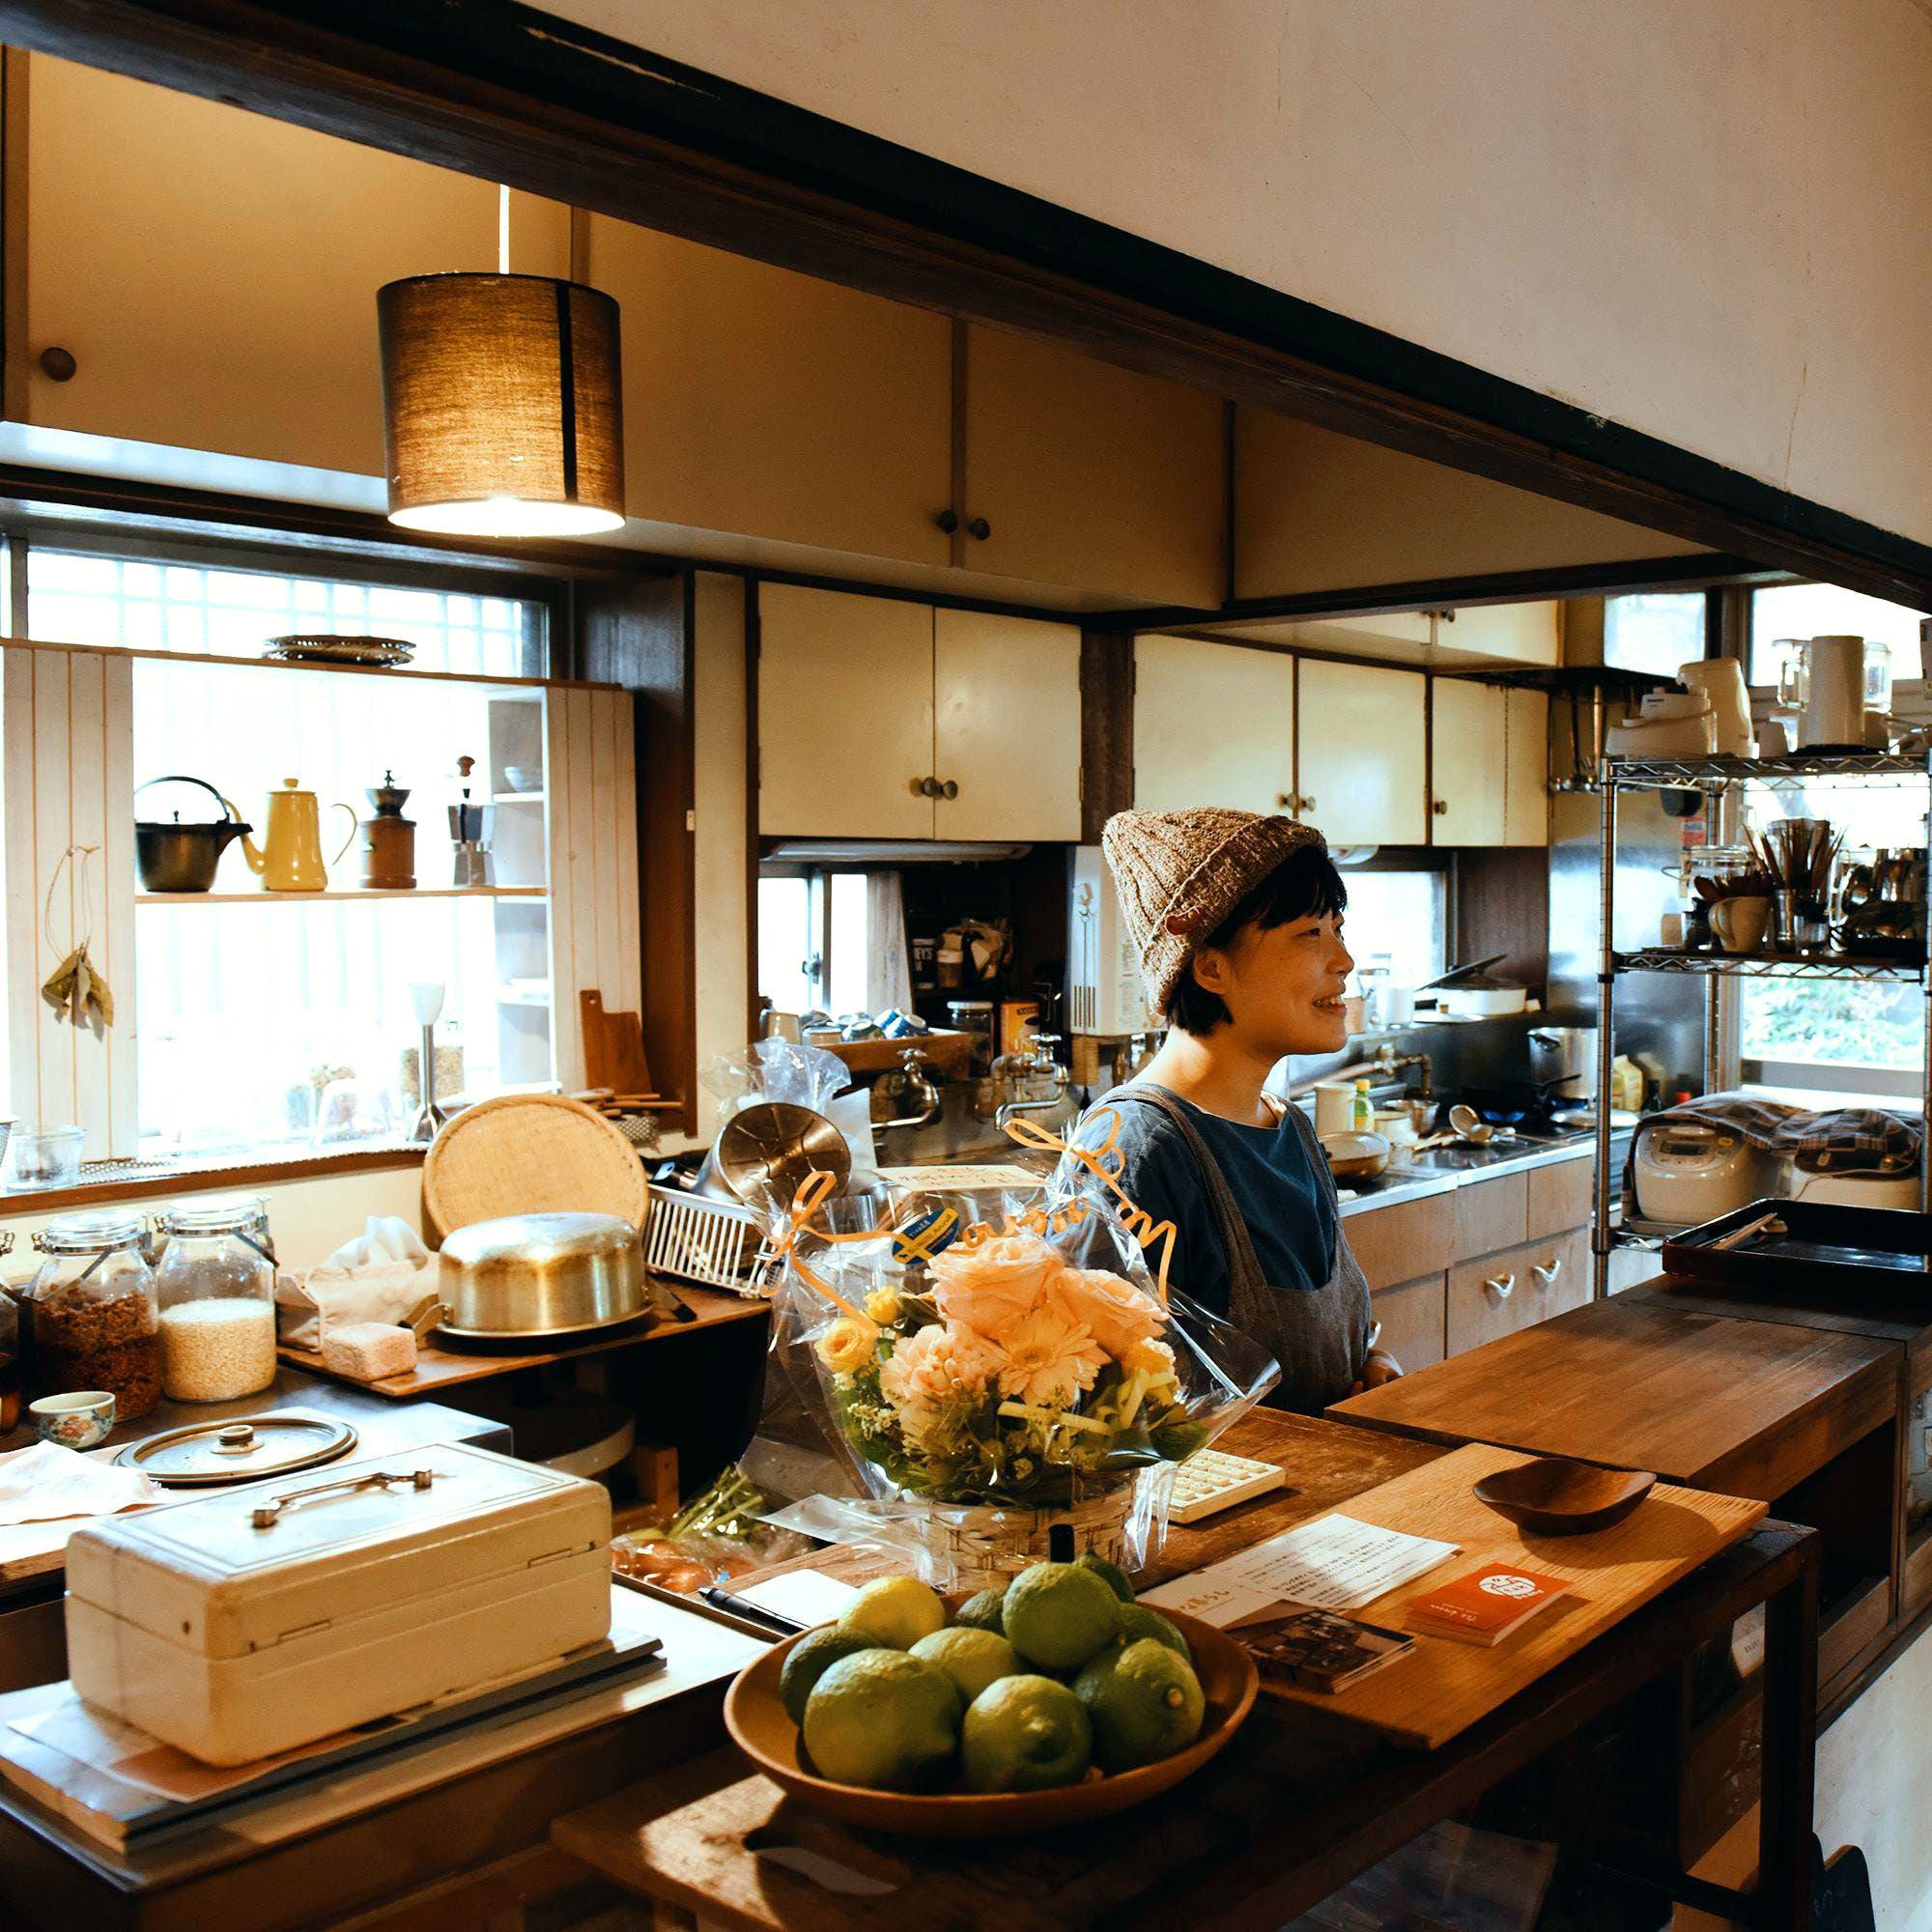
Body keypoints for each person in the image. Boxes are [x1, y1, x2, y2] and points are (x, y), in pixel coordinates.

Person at [1071, 807, 1403, 1413]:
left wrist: (1368, 1361)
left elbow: (1326, 1332)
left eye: (1338, 928)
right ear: (1211, 966)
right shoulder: (1135, 1149)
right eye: (1311, 933)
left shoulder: (1288, 1127)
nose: (1344, 960)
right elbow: (1094, 1408)